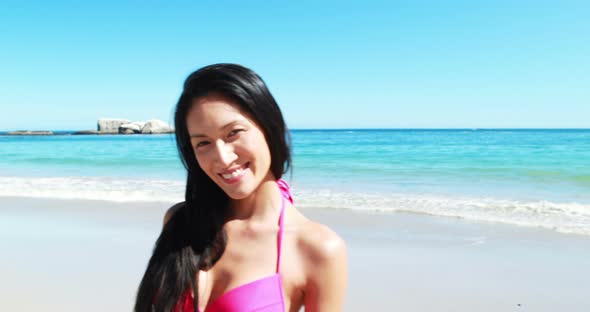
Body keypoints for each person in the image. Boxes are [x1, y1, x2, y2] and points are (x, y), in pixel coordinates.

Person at [134, 63, 347, 312]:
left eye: (233, 132)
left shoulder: (316, 249)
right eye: (203, 143)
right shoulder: (181, 222)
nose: (222, 158)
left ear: (269, 128)